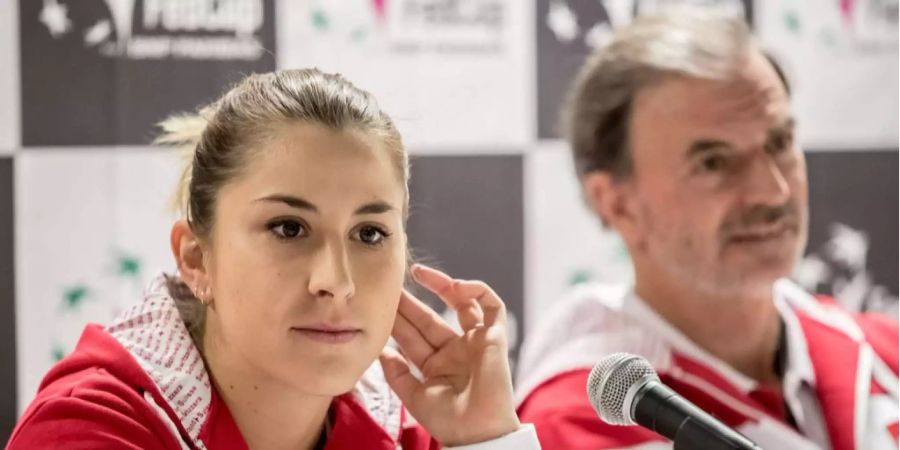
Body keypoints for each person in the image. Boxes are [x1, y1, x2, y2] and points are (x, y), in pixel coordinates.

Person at [7, 69, 539, 449]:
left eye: (370, 234)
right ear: (196, 260)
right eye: (289, 228)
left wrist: (485, 439)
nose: (337, 282)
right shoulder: (90, 430)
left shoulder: (405, 431)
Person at [515, 9, 898, 450]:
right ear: (616, 201)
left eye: (779, 144)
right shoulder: (577, 426)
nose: (771, 192)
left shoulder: (881, 349)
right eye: (713, 163)